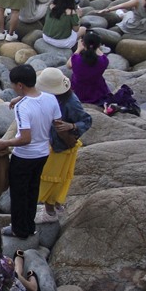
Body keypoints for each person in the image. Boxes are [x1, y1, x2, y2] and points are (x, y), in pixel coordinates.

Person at [0, 64, 60, 238]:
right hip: (43, 153)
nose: (12, 87)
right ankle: (29, 226)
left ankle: (19, 229)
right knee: (32, 190)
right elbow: (57, 122)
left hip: (25, 156)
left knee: (18, 194)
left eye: (13, 85)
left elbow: (25, 138)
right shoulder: (51, 98)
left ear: (20, 85)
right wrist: (22, 99)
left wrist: (4, 143)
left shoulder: (22, 107)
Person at [34, 68, 92, 221]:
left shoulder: (71, 102)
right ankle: (56, 206)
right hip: (51, 142)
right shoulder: (49, 97)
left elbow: (87, 120)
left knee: (50, 178)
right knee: (55, 177)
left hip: (61, 147)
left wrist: (71, 126)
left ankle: (50, 211)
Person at [68, 31, 111, 106]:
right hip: (97, 92)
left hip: (78, 91)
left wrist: (78, 49)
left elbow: (68, 65)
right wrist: (96, 47)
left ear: (83, 44)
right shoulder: (103, 61)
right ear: (99, 45)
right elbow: (102, 55)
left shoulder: (76, 59)